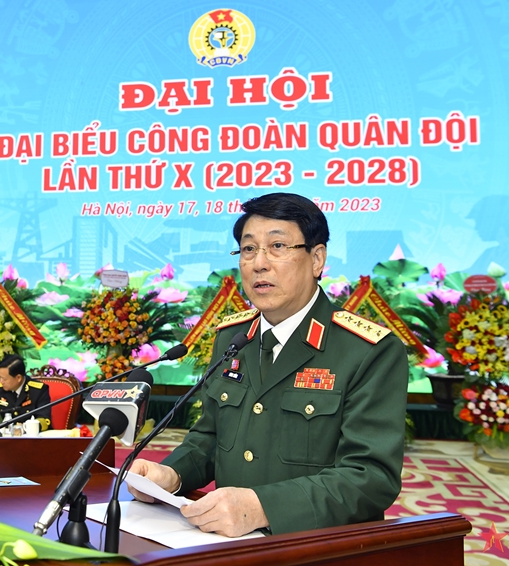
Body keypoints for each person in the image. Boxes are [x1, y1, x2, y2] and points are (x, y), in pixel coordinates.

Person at [128, 193, 409, 537]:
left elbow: (371, 477)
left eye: (277, 246)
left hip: (319, 548)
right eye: (248, 249)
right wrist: (171, 475)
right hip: (229, 544)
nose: (259, 263)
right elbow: (210, 439)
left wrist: (263, 508)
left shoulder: (367, 351)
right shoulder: (233, 338)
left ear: (317, 259)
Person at [0, 354, 51, 431]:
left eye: (4, 379)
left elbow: (44, 419)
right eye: (0, 377)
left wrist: (27, 427)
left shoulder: (38, 390)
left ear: (18, 378)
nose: (1, 382)